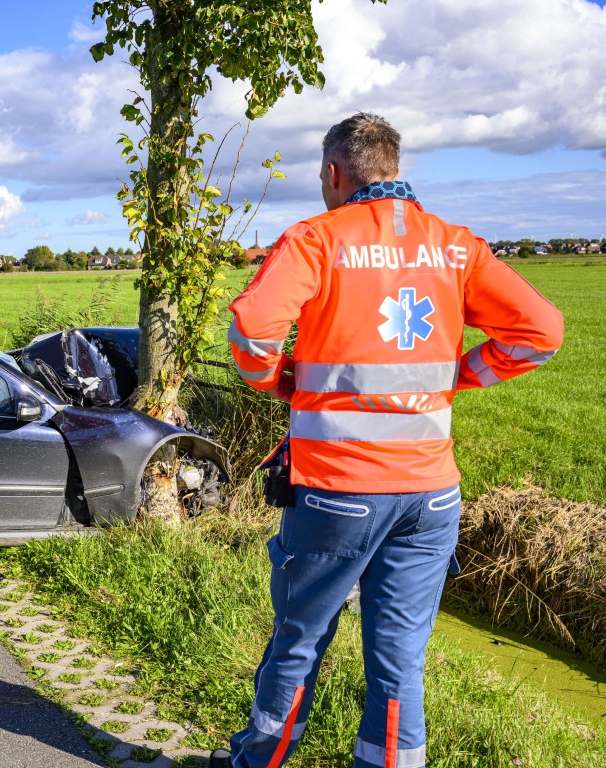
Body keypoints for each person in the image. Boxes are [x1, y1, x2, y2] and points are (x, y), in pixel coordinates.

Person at [215, 113, 564, 768]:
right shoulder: (455, 246)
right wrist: (462, 375)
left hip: (336, 493)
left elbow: (253, 329)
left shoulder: (318, 239)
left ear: (332, 173)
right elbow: (541, 332)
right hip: (431, 495)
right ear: (395, 168)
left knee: (298, 643)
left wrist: (278, 381)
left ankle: (255, 761)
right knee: (400, 663)